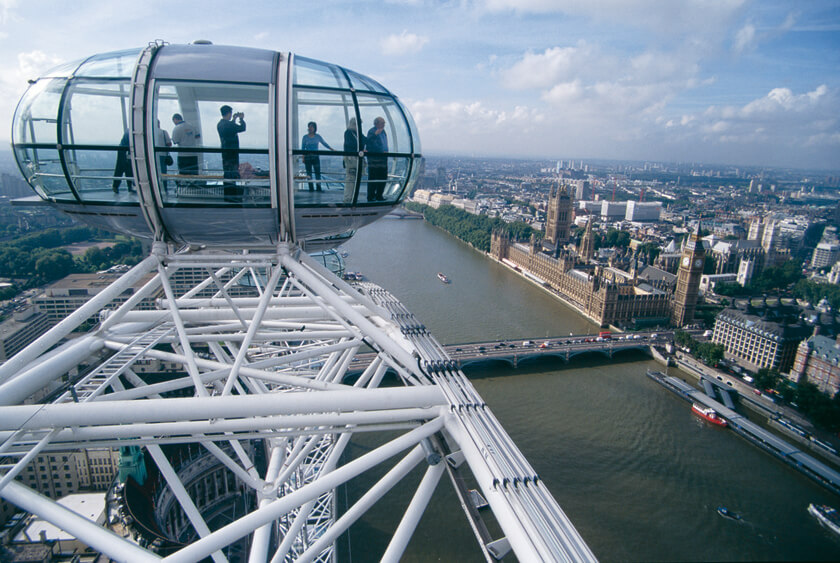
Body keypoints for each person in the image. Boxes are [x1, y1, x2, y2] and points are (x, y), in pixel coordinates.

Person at [217, 105, 246, 201]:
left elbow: (230, 129)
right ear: (229, 113)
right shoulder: (229, 125)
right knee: (233, 175)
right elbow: (242, 128)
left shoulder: (220, 124)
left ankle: (227, 197)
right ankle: (233, 198)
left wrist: (233, 120)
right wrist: (241, 119)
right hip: (233, 154)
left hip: (225, 153)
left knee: (227, 175)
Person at [301, 121, 333, 191]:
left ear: (315, 128)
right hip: (308, 157)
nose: (310, 128)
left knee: (317, 173)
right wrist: (303, 158)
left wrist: (332, 149)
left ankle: (318, 188)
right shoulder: (305, 137)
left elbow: (324, 144)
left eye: (312, 126)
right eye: (309, 126)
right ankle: (311, 188)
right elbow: (302, 148)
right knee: (309, 174)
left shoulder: (318, 136)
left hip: (315, 157)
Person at [365, 116, 388, 201]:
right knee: (373, 177)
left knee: (383, 177)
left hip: (383, 159)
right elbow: (369, 143)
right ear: (377, 123)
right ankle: (371, 196)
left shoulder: (383, 132)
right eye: (382, 123)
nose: (384, 125)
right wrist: (375, 135)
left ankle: (379, 195)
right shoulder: (372, 131)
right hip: (374, 160)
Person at [343, 118, 364, 203]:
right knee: (351, 179)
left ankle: (351, 197)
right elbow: (350, 144)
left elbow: (365, 140)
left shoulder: (357, 134)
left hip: (355, 160)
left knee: (354, 180)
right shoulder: (348, 133)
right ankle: (348, 198)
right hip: (351, 160)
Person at [154, 120, 172, 191]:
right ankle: (164, 189)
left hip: (153, 156)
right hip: (163, 155)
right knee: (163, 173)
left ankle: (155, 189)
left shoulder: (150, 133)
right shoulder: (164, 132)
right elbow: (169, 144)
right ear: (159, 124)